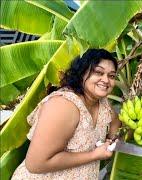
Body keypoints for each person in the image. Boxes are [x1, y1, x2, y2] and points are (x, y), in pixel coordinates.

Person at [11, 49, 121, 179]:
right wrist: (95, 155)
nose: (106, 80)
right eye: (98, 72)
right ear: (82, 73)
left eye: (112, 76)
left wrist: (112, 139)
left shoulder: (103, 104)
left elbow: (115, 124)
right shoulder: (63, 105)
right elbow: (35, 163)